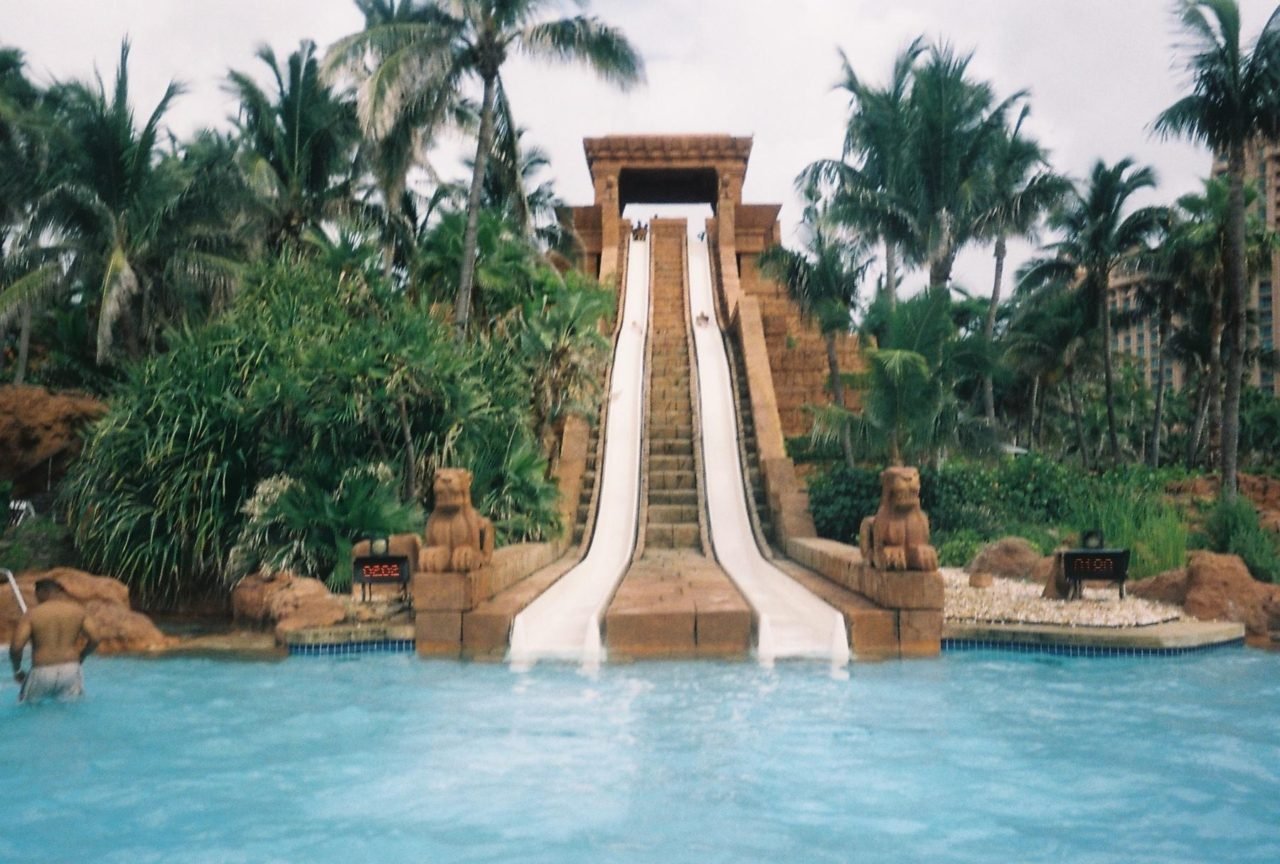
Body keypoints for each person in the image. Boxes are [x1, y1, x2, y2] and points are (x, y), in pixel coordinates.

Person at [9, 578, 100, 704]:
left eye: (36, 593)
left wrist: (17, 670)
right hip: (71, 670)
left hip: (42, 671)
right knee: (69, 711)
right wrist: (82, 656)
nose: (36, 598)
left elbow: (16, 647)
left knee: (29, 708)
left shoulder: (32, 615)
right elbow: (95, 639)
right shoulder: (78, 611)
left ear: (43, 592)